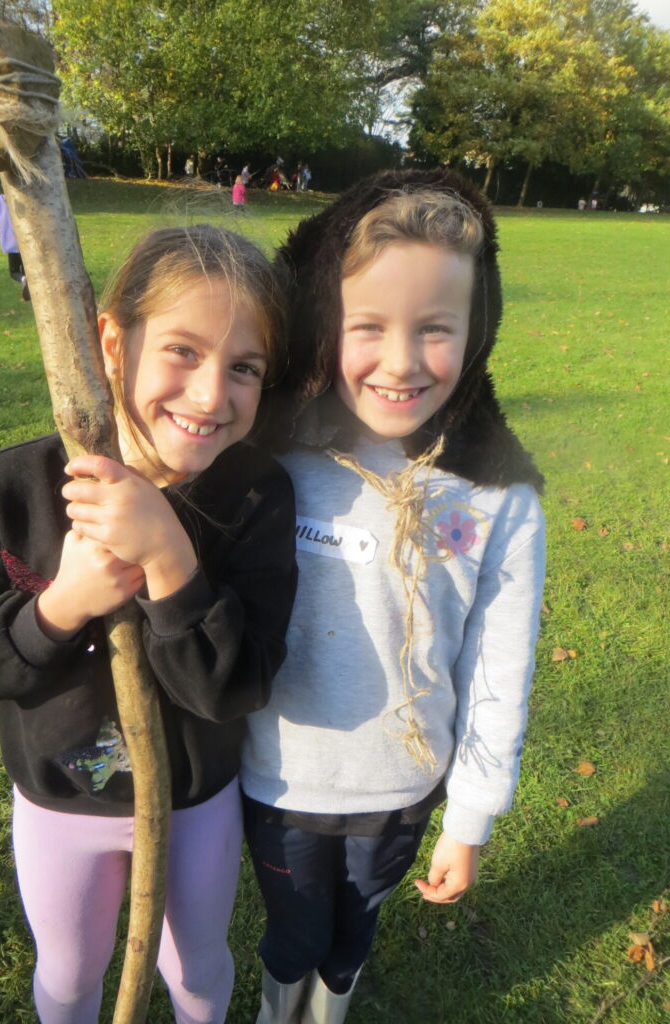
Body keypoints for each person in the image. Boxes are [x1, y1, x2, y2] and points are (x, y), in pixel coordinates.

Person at [0, 224, 297, 1024]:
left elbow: (238, 685)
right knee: (70, 974)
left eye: (244, 368)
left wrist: (169, 559)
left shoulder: (255, 495)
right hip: (60, 807)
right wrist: (62, 605)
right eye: (183, 351)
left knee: (195, 973)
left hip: (193, 801)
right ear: (111, 342)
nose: (209, 395)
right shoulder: (11, 490)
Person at [240, 168, 546, 1024]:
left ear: (477, 330)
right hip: (278, 781)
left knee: (351, 932)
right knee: (293, 932)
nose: (402, 362)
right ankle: (278, 1011)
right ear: (323, 320)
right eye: (367, 326)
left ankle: (330, 1011)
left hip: (403, 792)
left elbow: (500, 666)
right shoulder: (269, 455)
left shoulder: (499, 498)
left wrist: (472, 816)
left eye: (435, 329)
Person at [0, 192, 30, 300]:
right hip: (28, 242)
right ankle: (29, 288)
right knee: (28, 270)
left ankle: (23, 280)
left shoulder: (1, 201)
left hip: (12, 243)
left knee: (14, 272)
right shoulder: (27, 197)